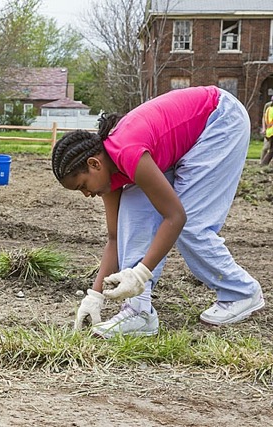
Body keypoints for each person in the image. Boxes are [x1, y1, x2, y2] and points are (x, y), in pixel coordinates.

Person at [51, 85, 265, 338]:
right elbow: (115, 237)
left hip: (219, 120)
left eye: (83, 186)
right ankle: (138, 312)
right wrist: (95, 295)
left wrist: (140, 273)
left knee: (191, 225)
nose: (87, 194)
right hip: (191, 133)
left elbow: (175, 217)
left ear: (94, 164)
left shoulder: (128, 153)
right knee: (132, 216)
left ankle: (241, 292)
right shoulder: (110, 173)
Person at [260, 95, 273, 166]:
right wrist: (264, 128)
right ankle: (263, 163)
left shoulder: (269, 109)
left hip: (269, 132)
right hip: (270, 131)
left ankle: (263, 164)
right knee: (267, 148)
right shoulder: (268, 106)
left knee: (270, 149)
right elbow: (264, 118)